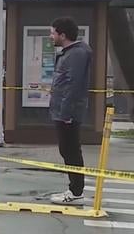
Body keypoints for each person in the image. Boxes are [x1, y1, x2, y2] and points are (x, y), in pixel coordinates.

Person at [48, 17, 92, 205]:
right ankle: (74, 190)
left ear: (63, 35)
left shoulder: (76, 54)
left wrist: (65, 113)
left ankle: (76, 192)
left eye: (53, 32)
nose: (51, 36)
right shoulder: (71, 52)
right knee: (67, 150)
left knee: (70, 150)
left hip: (68, 113)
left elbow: (73, 85)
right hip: (63, 111)